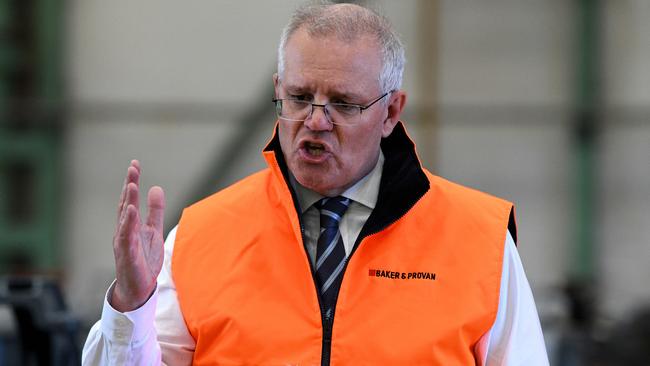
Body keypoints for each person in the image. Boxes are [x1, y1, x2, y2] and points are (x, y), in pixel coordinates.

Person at [82, 2, 549, 365]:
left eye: (344, 104)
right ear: (278, 89)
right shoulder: (199, 238)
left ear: (391, 112)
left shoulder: (479, 241)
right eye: (300, 97)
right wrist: (131, 305)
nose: (315, 121)